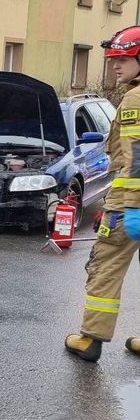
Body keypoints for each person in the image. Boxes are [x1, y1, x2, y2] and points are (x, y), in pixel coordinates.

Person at [65, 25, 140, 362]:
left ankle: (90, 339)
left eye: (123, 58)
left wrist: (131, 206)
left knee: (105, 267)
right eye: (113, 59)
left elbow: (137, 155)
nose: (115, 66)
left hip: (130, 205)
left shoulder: (135, 98)